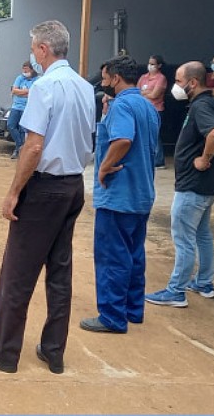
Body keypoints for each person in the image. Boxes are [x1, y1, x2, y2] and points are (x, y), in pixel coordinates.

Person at [0, 20, 95, 374]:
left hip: (45, 189)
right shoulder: (85, 87)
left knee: (17, 273)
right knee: (59, 272)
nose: (32, 55)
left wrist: (14, 192)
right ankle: (54, 350)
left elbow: (34, 146)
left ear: (43, 49)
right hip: (73, 185)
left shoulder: (44, 87)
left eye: (33, 48)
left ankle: (3, 352)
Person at [81, 55, 160, 333]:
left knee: (112, 257)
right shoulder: (147, 106)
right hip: (141, 194)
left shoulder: (122, 105)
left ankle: (112, 317)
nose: (103, 83)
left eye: (105, 78)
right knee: (134, 255)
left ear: (115, 78)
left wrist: (104, 167)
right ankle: (132, 310)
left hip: (119, 195)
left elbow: (123, 139)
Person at [145, 61, 214, 307]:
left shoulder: (202, 106)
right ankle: (203, 282)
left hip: (193, 184)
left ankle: (176, 291)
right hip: (206, 184)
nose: (176, 86)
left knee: (183, 238)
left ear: (193, 82)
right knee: (201, 234)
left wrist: (204, 158)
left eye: (179, 81)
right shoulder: (208, 103)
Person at [137, 54, 168, 168]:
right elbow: (137, 91)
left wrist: (144, 93)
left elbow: (155, 95)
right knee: (144, 134)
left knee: (154, 135)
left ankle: (159, 160)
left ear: (159, 65)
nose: (150, 66)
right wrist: (148, 92)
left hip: (155, 109)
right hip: (143, 109)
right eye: (149, 63)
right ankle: (147, 158)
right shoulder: (143, 77)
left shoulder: (161, 78)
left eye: (153, 64)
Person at [7, 61, 38, 159]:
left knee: (22, 129)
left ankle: (18, 150)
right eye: (23, 69)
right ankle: (20, 145)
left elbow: (34, 93)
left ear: (32, 70)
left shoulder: (36, 80)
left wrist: (19, 92)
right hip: (16, 106)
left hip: (27, 108)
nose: (24, 71)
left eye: (26, 69)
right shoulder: (19, 78)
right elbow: (14, 90)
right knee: (10, 125)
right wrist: (26, 92)